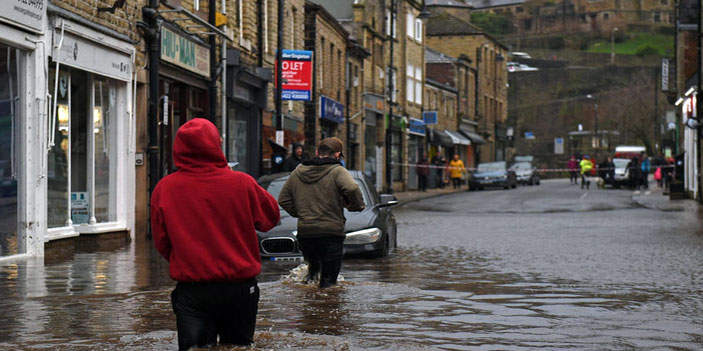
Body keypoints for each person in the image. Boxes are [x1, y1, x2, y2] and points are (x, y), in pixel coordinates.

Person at [150, 118, 280, 351]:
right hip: (239, 289)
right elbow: (270, 219)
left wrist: (188, 258)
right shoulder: (242, 183)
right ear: (216, 146)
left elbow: (161, 242)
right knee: (238, 347)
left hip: (193, 290)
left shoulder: (165, 188)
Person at [278, 137, 365, 288]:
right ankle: (325, 310)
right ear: (337, 155)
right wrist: (355, 206)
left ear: (317, 152)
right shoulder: (337, 171)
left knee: (312, 277)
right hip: (330, 233)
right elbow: (352, 188)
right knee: (328, 284)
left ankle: (308, 310)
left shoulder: (298, 171)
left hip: (306, 233)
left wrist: (302, 213)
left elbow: (283, 199)